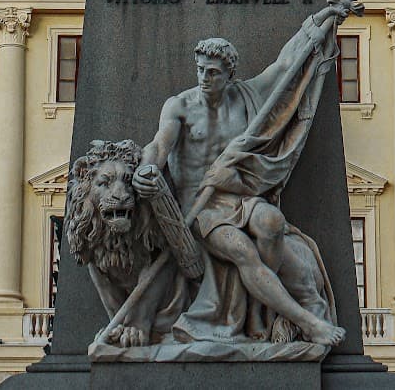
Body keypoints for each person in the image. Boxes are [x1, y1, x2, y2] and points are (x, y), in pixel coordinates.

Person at [134, 25, 346, 347]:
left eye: (214, 73)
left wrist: (318, 26)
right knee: (242, 250)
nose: (205, 78)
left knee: (273, 223)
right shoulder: (179, 106)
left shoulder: (245, 97)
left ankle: (262, 306)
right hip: (199, 208)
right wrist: (147, 168)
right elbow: (159, 145)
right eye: (201, 70)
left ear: (229, 75)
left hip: (238, 197)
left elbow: (285, 66)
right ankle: (308, 322)